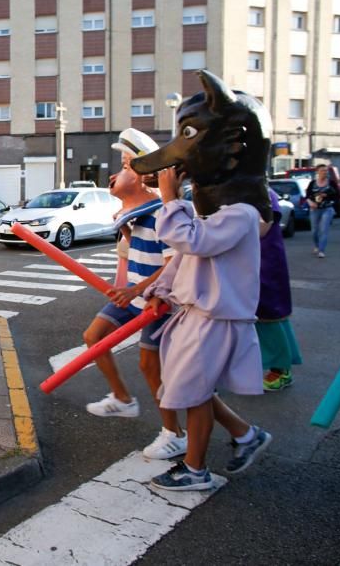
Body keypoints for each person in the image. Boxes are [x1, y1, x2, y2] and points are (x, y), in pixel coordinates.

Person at [132, 70, 272, 492]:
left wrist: (169, 197)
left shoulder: (243, 215)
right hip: (197, 314)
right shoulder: (219, 214)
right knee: (190, 387)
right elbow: (188, 258)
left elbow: (189, 240)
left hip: (215, 317)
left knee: (191, 392)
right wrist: (160, 290)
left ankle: (195, 469)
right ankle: (247, 435)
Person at [83, 129, 185, 460]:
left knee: (149, 365)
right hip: (136, 296)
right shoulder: (137, 215)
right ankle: (123, 399)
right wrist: (125, 233)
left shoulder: (160, 213)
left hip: (158, 303)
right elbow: (136, 255)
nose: (115, 174)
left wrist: (136, 290)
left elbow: (172, 265)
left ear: (143, 178)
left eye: (126, 166)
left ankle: (175, 433)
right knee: (94, 336)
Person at [257, 189, 302, 391]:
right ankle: (279, 367)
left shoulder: (261, 191)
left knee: (269, 315)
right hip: (258, 261)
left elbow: (261, 229)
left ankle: (281, 370)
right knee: (271, 317)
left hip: (264, 262)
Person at [306, 164, 340, 258]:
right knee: (314, 231)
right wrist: (310, 203)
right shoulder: (312, 183)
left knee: (324, 230)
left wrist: (330, 200)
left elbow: (337, 195)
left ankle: (321, 250)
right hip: (314, 209)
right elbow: (307, 196)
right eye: (322, 170)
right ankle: (316, 246)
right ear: (317, 172)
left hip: (327, 209)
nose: (325, 172)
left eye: (326, 170)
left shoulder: (331, 183)